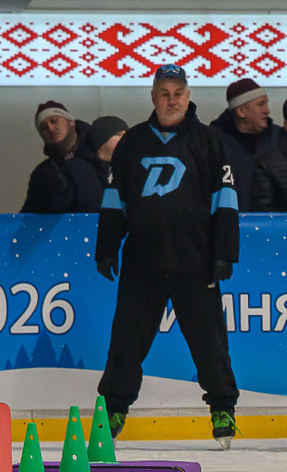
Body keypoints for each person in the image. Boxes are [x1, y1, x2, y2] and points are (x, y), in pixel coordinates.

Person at [94, 65, 241, 449]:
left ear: (188, 96)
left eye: (178, 93)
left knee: (209, 341)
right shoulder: (133, 142)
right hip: (142, 262)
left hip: (195, 262)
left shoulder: (209, 141)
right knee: (126, 342)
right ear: (153, 97)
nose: (171, 100)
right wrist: (107, 248)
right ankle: (113, 409)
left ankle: (223, 407)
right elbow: (114, 200)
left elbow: (225, 200)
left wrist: (225, 252)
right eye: (164, 93)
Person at [21, 101, 107, 214]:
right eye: (44, 128)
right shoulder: (42, 174)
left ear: (70, 123)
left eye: (54, 121)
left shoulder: (102, 155)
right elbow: (29, 215)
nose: (50, 129)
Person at [211, 77, 285, 195]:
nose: (267, 110)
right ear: (241, 111)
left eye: (266, 104)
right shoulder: (212, 142)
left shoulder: (280, 138)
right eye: (260, 104)